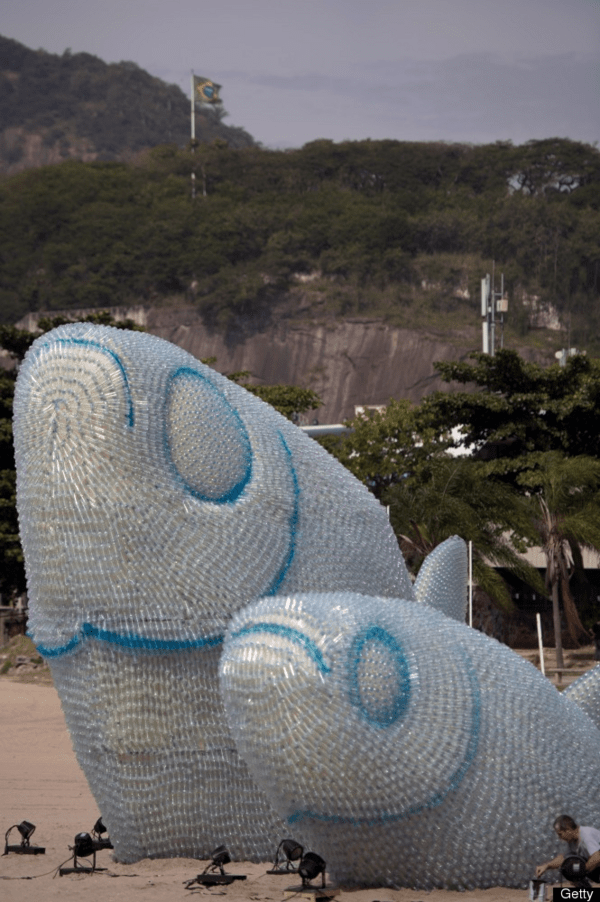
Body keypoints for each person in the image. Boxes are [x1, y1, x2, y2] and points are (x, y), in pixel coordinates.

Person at [536, 815, 600, 881]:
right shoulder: (573, 841)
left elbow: (597, 857)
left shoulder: (586, 834)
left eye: (560, 834)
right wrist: (546, 866)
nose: (560, 838)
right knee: (568, 868)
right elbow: (564, 859)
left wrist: (582, 871)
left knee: (577, 869)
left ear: (568, 829)